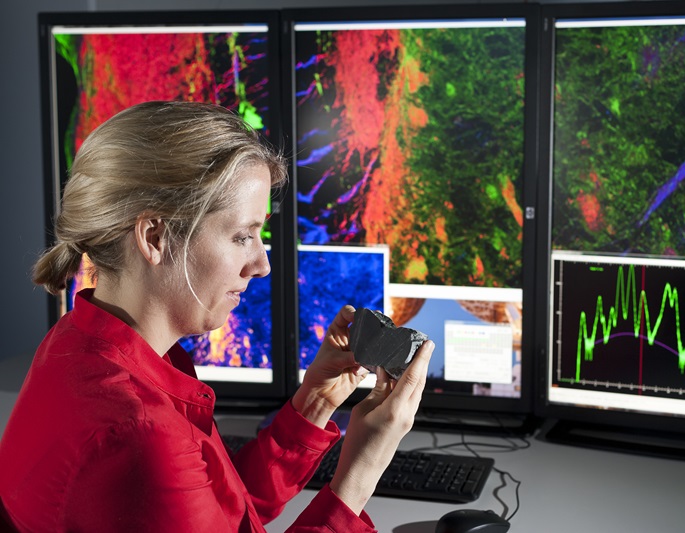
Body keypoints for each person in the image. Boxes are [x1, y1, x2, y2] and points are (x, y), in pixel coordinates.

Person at [0, 101, 433, 532]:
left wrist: (317, 400)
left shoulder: (75, 345)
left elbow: (217, 512)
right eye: (242, 236)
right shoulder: (139, 433)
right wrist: (361, 473)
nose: (262, 264)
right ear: (156, 237)